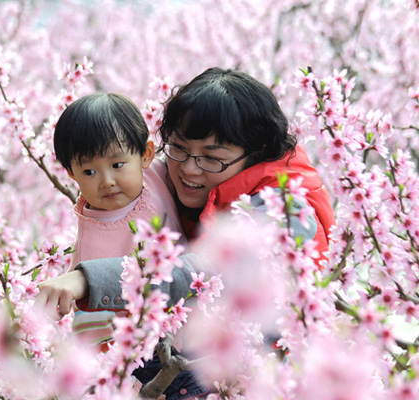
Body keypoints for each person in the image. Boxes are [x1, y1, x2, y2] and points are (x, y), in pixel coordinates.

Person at [36, 68, 335, 399]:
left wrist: (90, 280)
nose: (189, 169)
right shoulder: (185, 181)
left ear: (257, 152)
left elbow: (202, 271)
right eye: (178, 149)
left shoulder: (285, 211)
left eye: (212, 158)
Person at [52, 93, 187, 348]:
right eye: (89, 171)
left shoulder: (156, 175)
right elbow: (94, 334)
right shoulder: (89, 250)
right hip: (157, 350)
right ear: (72, 173)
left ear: (146, 154)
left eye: (117, 164)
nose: (107, 181)